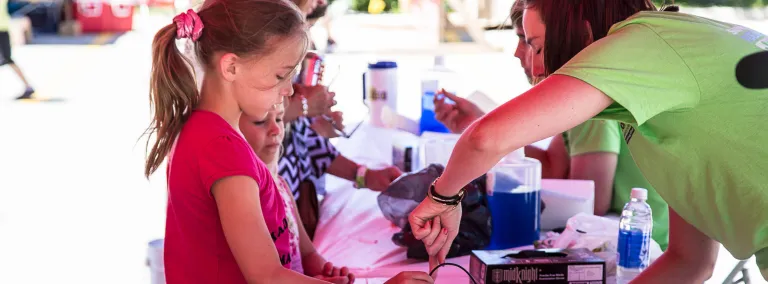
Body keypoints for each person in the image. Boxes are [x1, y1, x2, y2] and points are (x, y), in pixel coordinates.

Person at [410, 0, 768, 282]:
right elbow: (690, 262)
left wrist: (443, 196)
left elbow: (486, 138)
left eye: (534, 45)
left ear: (581, 32)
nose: (534, 68)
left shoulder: (644, 46)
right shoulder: (661, 83)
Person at [143, 1, 429, 283]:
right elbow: (267, 276)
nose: (289, 90)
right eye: (281, 75)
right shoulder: (221, 149)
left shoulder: (209, 133)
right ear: (231, 67)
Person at [433, 0, 669, 250]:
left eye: (529, 41)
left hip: (639, 252)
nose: (518, 52)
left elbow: (591, 198)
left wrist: (444, 193)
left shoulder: (586, 96)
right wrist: (478, 125)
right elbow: (553, 166)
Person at [240, 102, 434, 283]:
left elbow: (307, 254)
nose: (276, 130)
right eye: (260, 122)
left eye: (280, 119)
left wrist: (324, 272)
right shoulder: (243, 201)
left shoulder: (281, 186)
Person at [280, 0, 403, 240]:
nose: (321, 3)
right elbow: (246, 119)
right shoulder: (257, 32)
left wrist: (364, 175)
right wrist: (303, 107)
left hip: (295, 212)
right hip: (273, 217)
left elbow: (305, 140)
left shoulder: (289, 33)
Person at [0, 0, 35, 100]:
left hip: (1, 30)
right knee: (7, 59)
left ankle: (28, 87)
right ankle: (28, 87)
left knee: (7, 59)